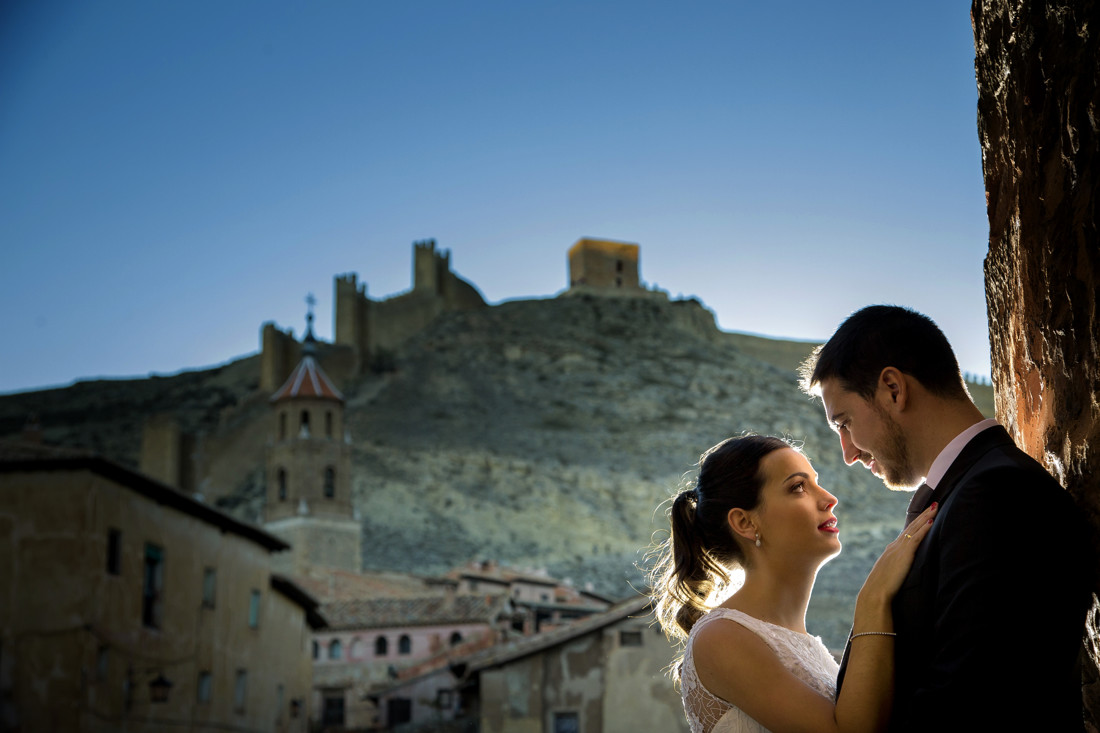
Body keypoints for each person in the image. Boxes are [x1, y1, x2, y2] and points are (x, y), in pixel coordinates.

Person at [800, 304, 1091, 732]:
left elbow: (966, 705)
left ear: (893, 389)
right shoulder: (970, 491)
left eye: (844, 422)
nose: (848, 453)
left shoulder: (998, 493)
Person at [651, 434, 938, 733]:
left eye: (816, 482)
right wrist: (874, 597)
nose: (830, 498)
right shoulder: (720, 637)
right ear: (745, 523)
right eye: (798, 487)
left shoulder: (809, 648)